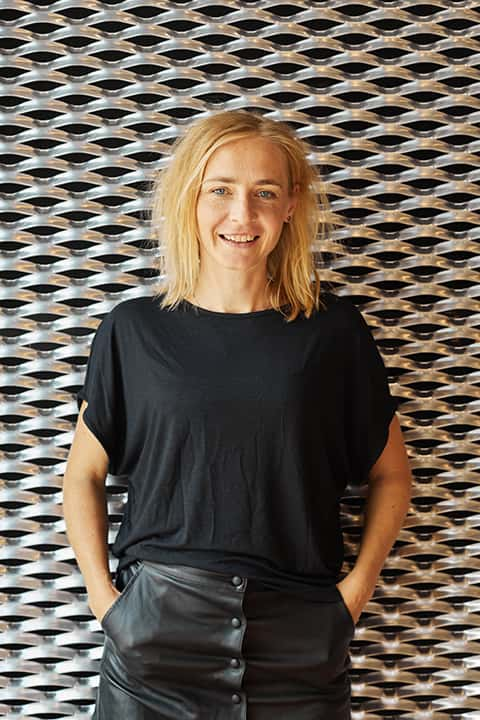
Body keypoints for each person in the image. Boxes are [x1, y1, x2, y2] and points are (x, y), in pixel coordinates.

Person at [63, 109, 413, 720]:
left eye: (264, 193)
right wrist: (107, 603)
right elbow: (82, 475)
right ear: (188, 200)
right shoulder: (133, 332)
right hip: (157, 634)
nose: (241, 215)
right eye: (219, 190)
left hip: (300, 639)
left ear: (290, 206)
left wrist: (352, 596)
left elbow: (391, 475)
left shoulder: (333, 334)